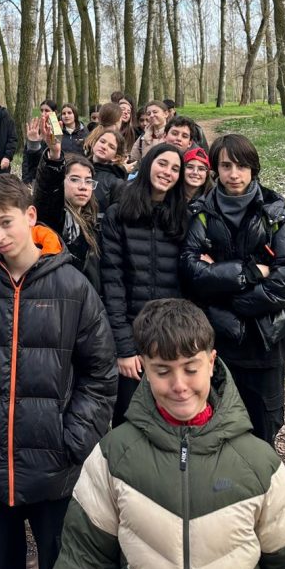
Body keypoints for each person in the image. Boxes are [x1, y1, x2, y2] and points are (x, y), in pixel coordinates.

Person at [50, 297, 285, 569]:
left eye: (190, 369)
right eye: (163, 371)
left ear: (211, 362)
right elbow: (84, 567)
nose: (179, 385)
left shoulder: (258, 463)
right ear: (144, 367)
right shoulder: (112, 457)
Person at [0, 174, 118, 569]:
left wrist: (72, 440)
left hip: (54, 470)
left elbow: (100, 372)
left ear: (30, 216)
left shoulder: (73, 286)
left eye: (6, 222)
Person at [181, 133, 285, 446]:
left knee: (264, 425)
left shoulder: (273, 213)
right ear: (216, 170)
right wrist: (250, 272)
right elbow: (191, 273)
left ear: (253, 169)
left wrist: (228, 294)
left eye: (241, 166)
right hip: (221, 337)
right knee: (220, 421)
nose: (234, 174)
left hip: (266, 339)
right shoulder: (202, 213)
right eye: (226, 166)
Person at [101, 143, 188, 424]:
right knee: (129, 420)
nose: (167, 172)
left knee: (170, 419)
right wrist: (124, 348)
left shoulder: (182, 217)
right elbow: (112, 283)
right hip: (132, 333)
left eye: (175, 169)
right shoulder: (119, 214)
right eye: (162, 164)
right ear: (149, 163)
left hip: (172, 334)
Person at [32, 127, 104, 293]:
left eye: (88, 181)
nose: (83, 187)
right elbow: (48, 191)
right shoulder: (57, 217)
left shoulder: (92, 221)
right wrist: (55, 157)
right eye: (74, 179)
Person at [128, 100, 169, 169]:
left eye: (155, 112)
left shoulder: (172, 135)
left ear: (166, 114)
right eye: (149, 113)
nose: (151, 115)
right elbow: (133, 159)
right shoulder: (143, 137)